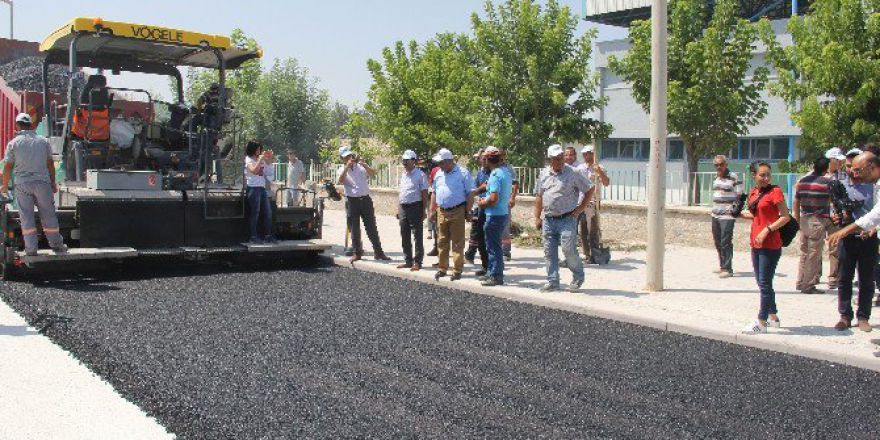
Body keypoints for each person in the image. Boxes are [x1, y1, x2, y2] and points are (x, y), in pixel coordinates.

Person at [0, 113, 67, 255]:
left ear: (17, 125)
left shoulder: (14, 143)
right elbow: (50, 164)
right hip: (42, 183)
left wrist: (4, 185)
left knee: (26, 217)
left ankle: (31, 249)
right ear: (31, 125)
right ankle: (57, 245)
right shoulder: (43, 141)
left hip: (23, 185)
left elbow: (7, 167)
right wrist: (53, 183)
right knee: (49, 215)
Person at [826, 152, 878, 331]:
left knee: (866, 279)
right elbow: (834, 210)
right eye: (850, 168)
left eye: (858, 169)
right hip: (847, 239)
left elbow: (874, 216)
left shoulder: (873, 186)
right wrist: (838, 221)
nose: (855, 172)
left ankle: (863, 316)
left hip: (868, 238)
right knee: (844, 278)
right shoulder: (839, 187)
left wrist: (872, 229)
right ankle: (845, 316)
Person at [534, 144, 594, 292]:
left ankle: (578, 276)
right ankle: (553, 281)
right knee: (549, 252)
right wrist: (537, 216)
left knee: (568, 250)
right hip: (548, 219)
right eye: (556, 159)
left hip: (567, 219)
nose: (560, 161)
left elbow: (590, 188)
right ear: (550, 160)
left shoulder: (573, 172)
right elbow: (539, 196)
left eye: (561, 158)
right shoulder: (544, 174)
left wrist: (580, 209)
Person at [739, 162, 790, 334]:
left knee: (765, 283)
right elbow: (757, 215)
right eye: (762, 175)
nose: (766, 178)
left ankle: (761, 321)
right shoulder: (754, 193)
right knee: (762, 283)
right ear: (754, 175)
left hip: (770, 243)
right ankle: (773, 316)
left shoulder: (775, 192)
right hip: (756, 242)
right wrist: (738, 213)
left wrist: (767, 230)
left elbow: (785, 217)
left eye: (768, 174)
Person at [337, 146, 390, 263]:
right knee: (354, 228)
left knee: (371, 227)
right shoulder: (341, 169)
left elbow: (372, 174)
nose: (349, 158)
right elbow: (340, 181)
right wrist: (347, 167)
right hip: (352, 201)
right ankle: (357, 252)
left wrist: (365, 165)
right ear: (342, 158)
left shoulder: (361, 167)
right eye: (346, 157)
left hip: (365, 200)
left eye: (350, 156)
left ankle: (378, 252)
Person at [431, 148, 475, 281]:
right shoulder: (438, 174)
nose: (439, 165)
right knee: (442, 241)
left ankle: (457, 270)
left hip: (457, 211)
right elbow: (434, 192)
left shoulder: (463, 173)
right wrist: (432, 210)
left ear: (449, 161)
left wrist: (468, 211)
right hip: (441, 211)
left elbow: (470, 193)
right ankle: (442, 268)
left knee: (457, 242)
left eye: (441, 163)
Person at [792, 157, 833, 294]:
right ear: (826, 168)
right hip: (818, 220)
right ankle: (808, 285)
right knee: (814, 254)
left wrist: (797, 220)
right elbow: (833, 201)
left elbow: (796, 202)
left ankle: (800, 281)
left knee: (804, 252)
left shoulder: (802, 181)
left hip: (804, 219)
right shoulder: (827, 182)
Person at [477, 146, 512, 286]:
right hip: (502, 213)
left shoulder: (496, 175)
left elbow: (493, 198)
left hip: (494, 215)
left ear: (488, 159)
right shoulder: (505, 172)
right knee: (494, 245)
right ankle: (492, 272)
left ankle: (496, 275)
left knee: (493, 246)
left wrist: (482, 203)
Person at [710, 155, 743, 279]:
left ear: (726, 164)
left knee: (725, 241)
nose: (719, 167)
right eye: (716, 165)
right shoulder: (716, 177)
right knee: (718, 241)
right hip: (715, 213)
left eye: (721, 164)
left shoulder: (733, 177)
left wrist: (735, 210)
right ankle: (722, 265)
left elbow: (740, 195)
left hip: (727, 215)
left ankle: (728, 268)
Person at [396, 149, 429, 271]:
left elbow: (424, 193)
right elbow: (402, 192)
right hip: (403, 207)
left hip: (416, 206)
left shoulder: (420, 175)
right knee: (404, 234)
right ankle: (408, 260)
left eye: (407, 160)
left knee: (417, 235)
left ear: (414, 161)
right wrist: (398, 208)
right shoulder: (403, 174)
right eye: (403, 160)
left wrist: (424, 210)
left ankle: (418, 261)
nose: (404, 162)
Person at [576, 145, 610, 263]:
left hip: (594, 202)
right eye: (584, 154)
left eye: (588, 153)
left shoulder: (600, 167)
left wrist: (599, 171)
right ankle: (587, 254)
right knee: (583, 228)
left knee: (593, 229)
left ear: (593, 154)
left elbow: (606, 183)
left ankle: (595, 253)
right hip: (580, 201)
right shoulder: (580, 168)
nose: (586, 156)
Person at [244, 140, 276, 244]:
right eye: (257, 149)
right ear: (253, 149)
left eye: (260, 149)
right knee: (255, 212)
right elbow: (253, 170)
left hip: (261, 188)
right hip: (253, 188)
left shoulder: (260, 159)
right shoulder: (248, 159)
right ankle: (253, 236)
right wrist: (260, 160)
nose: (259, 151)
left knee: (268, 212)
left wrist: (269, 160)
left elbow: (269, 172)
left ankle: (268, 235)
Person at [824, 146, 847, 289]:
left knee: (834, 246)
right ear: (830, 160)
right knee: (815, 248)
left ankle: (833, 276)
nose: (840, 163)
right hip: (820, 215)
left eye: (841, 160)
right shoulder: (818, 175)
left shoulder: (843, 177)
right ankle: (812, 277)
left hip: (835, 216)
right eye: (837, 160)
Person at [465, 148, 490, 276]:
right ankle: (485, 266)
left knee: (489, 239)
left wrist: (475, 192)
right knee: (479, 236)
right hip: (480, 207)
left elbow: (485, 187)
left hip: (491, 209)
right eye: (482, 159)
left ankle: (493, 269)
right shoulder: (480, 172)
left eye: (485, 159)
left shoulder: (496, 173)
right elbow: (475, 187)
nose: (483, 161)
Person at [499, 149, 519, 261]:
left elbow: (515, 183)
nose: (501, 157)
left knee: (505, 227)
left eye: (502, 155)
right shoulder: (491, 166)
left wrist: (512, 198)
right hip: (493, 201)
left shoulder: (508, 168)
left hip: (505, 201)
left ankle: (506, 252)